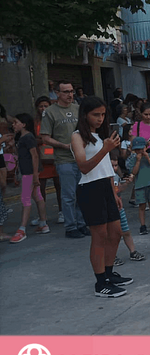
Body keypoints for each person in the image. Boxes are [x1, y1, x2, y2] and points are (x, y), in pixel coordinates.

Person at [71, 96, 132, 297]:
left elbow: (106, 168)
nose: (99, 118)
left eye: (103, 114)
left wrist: (114, 190)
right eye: (95, 114)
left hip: (106, 187)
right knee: (99, 236)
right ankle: (100, 284)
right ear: (85, 115)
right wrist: (105, 149)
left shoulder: (100, 136)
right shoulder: (78, 136)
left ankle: (108, 273)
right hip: (89, 188)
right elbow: (84, 167)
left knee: (115, 233)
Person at [40, 80, 89, 238]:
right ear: (58, 93)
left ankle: (82, 224)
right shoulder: (50, 112)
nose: (70, 94)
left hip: (81, 158)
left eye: (71, 91)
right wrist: (63, 145)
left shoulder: (78, 109)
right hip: (64, 159)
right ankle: (70, 226)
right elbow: (45, 137)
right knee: (69, 195)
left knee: (82, 192)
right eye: (66, 92)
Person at [9, 113, 50, 243]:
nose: (13, 125)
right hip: (28, 172)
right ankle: (43, 224)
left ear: (24, 124)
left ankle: (22, 229)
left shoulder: (28, 138)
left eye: (16, 122)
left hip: (29, 173)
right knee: (37, 197)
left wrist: (35, 175)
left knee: (25, 199)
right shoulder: (22, 137)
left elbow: (35, 156)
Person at [32, 96, 63, 226]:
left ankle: (62, 212)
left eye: (45, 106)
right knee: (41, 187)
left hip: (55, 154)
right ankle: (41, 215)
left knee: (59, 185)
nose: (43, 108)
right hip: (41, 156)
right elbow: (34, 138)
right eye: (41, 106)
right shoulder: (35, 122)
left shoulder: (54, 118)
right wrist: (42, 140)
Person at [110, 152, 145, 265]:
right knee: (112, 235)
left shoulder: (116, 176)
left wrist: (126, 183)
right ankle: (112, 256)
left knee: (126, 231)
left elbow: (119, 189)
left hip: (119, 208)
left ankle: (133, 251)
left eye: (116, 165)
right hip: (109, 210)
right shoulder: (104, 177)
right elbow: (113, 191)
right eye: (112, 165)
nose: (114, 168)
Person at [126, 136, 150, 235]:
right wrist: (137, 161)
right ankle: (142, 225)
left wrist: (147, 157)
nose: (139, 151)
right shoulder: (133, 159)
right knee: (142, 206)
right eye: (137, 149)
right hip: (140, 185)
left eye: (141, 149)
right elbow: (134, 172)